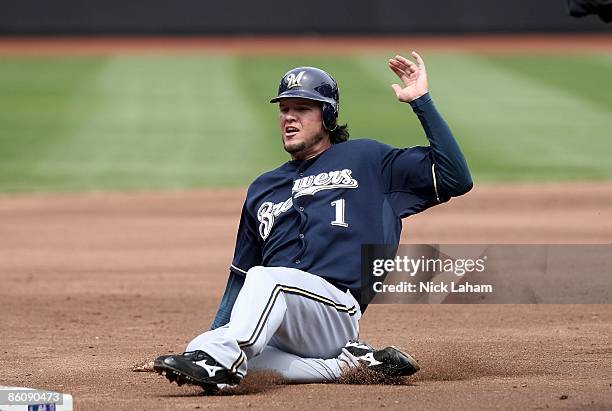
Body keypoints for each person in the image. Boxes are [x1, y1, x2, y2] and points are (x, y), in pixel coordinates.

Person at [154, 52, 473, 389]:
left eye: (302, 109)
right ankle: (346, 365)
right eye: (284, 109)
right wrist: (210, 341)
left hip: (335, 312)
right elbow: (240, 279)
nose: (289, 118)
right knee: (203, 344)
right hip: (281, 322)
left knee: (268, 282)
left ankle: (224, 365)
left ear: (328, 115)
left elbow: (456, 177)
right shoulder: (264, 187)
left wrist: (420, 101)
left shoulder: (368, 160)